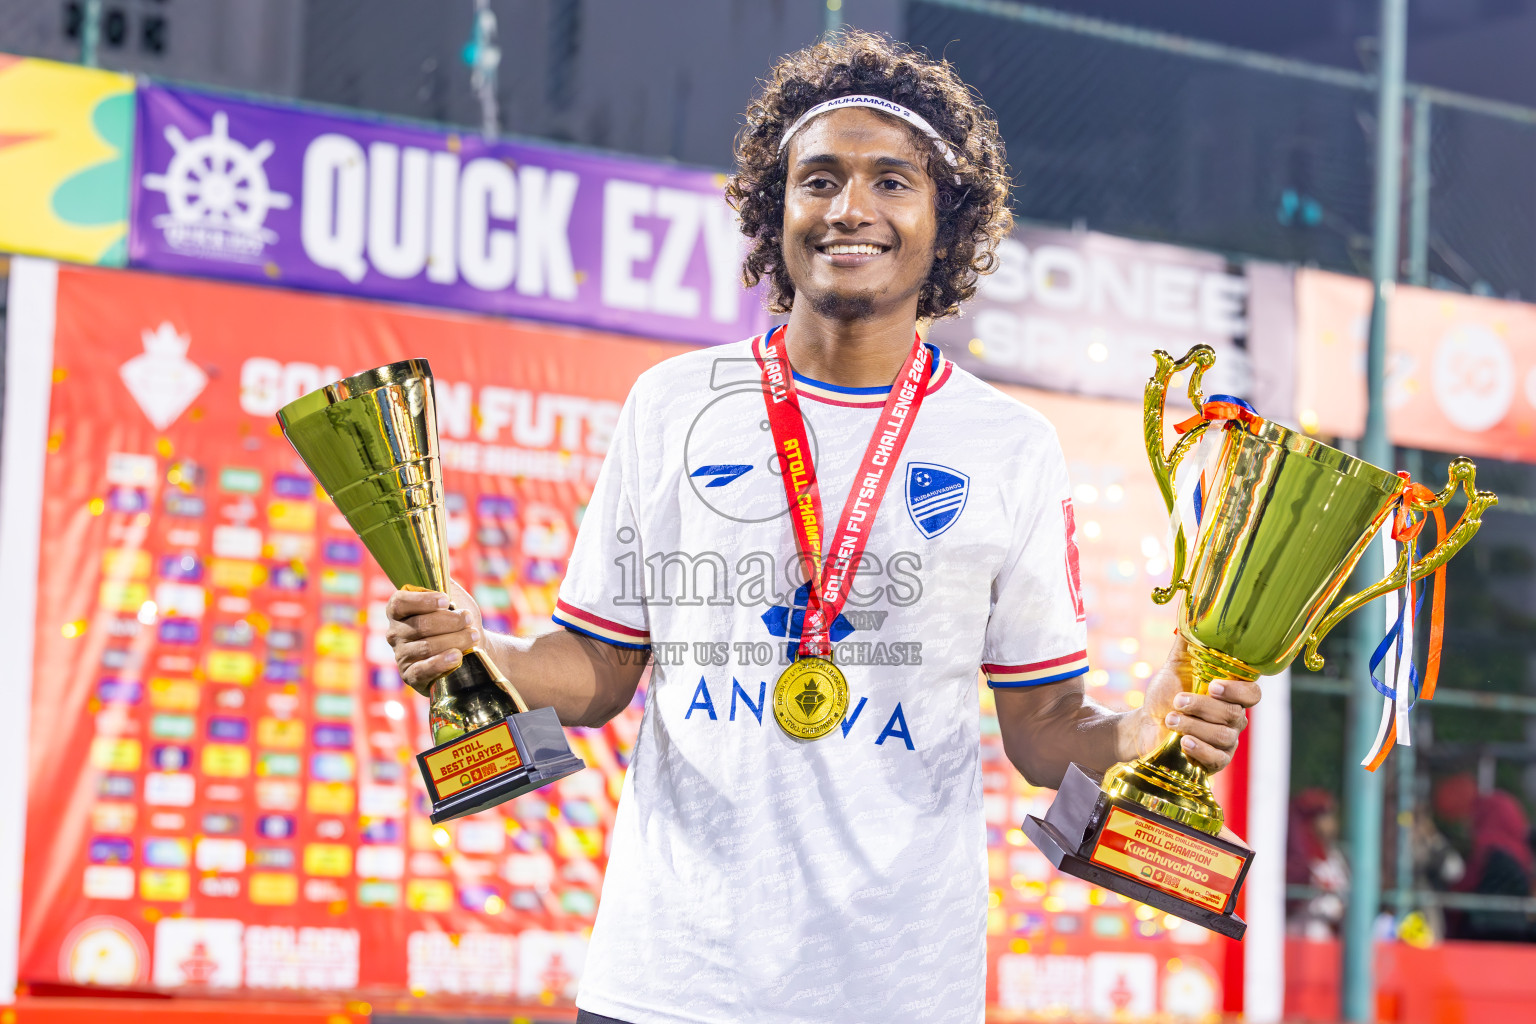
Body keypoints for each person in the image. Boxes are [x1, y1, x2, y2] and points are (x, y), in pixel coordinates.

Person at [385, 31, 1258, 1024]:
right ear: (776, 206)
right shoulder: (672, 403)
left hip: (895, 985)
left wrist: (1146, 730)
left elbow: (1041, 729)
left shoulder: (1009, 445)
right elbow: (598, 665)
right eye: (820, 180)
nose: (851, 209)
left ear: (946, 221)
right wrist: (480, 653)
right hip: (670, 975)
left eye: (892, 182)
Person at [1285, 788, 1349, 939]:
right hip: (1302, 933)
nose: (1329, 822)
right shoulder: (1300, 857)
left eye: (1329, 815)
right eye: (1322, 816)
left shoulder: (1335, 855)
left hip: (1330, 934)